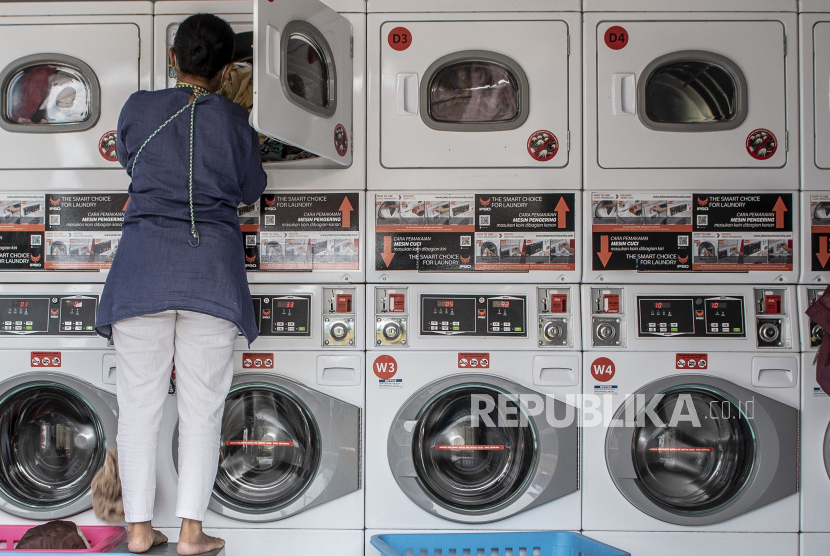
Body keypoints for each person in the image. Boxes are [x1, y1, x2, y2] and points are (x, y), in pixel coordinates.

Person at [95, 13, 267, 555]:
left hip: (142, 273)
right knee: (202, 411)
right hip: (211, 276)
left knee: (139, 408)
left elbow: (130, 162)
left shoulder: (139, 108)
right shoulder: (236, 122)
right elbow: (251, 190)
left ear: (174, 58)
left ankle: (140, 532)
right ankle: (192, 533)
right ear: (226, 69)